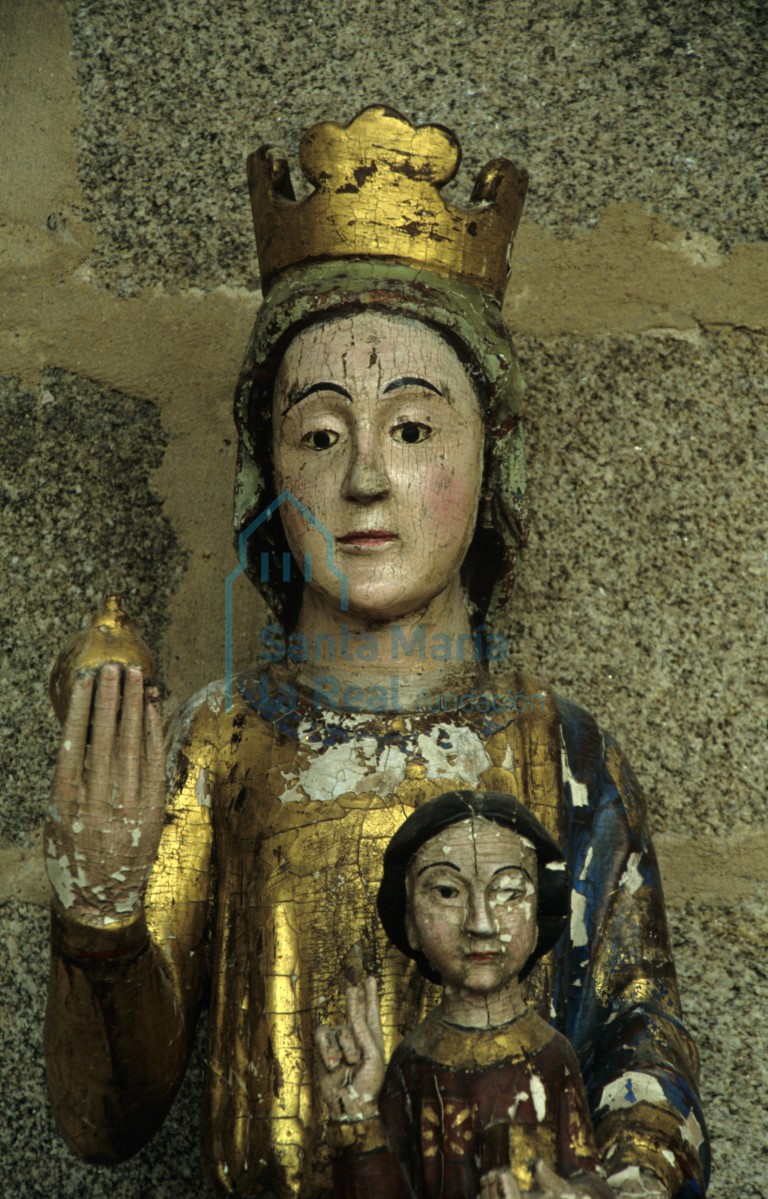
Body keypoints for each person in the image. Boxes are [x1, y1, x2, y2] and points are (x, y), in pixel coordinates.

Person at [44, 106, 709, 1199]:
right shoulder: (225, 739)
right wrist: (102, 919)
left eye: (411, 429)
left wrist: (633, 1168)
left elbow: (638, 1026)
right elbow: (106, 1118)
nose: (363, 479)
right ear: (269, 473)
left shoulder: (558, 744)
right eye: (318, 433)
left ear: (491, 462)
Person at [316, 790, 614, 1199]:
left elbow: (587, 1174)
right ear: (410, 923)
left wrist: (567, 1194)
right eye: (446, 892)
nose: (481, 923)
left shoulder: (550, 1055)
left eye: (509, 891)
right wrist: (356, 1116)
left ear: (539, 911)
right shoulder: (412, 1064)